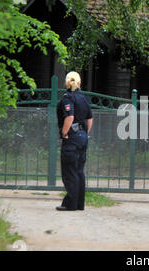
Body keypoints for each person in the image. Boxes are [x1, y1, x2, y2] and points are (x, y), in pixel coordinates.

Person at [56, 71, 93, 211]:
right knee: (79, 171)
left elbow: (69, 117)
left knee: (69, 172)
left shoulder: (68, 98)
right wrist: (83, 133)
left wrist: (64, 132)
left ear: (66, 83)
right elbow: (90, 119)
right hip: (82, 138)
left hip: (71, 139)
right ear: (79, 83)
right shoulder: (83, 98)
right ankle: (79, 204)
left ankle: (70, 204)